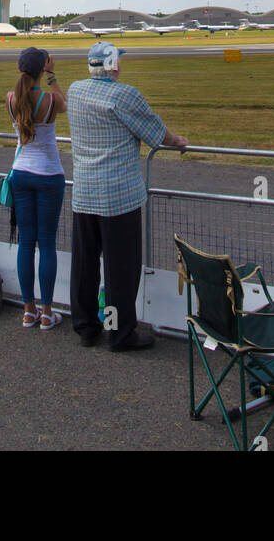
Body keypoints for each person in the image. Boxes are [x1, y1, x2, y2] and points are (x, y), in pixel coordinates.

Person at [67, 42, 187, 351]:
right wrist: (177, 141)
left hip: (84, 193)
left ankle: (86, 326)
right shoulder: (124, 94)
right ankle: (119, 333)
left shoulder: (76, 91)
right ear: (113, 66)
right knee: (120, 268)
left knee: (85, 264)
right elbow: (156, 133)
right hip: (117, 196)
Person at [6, 47, 67, 330]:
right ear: (42, 69)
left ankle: (28, 309)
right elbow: (64, 104)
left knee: (26, 244)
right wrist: (52, 75)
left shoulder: (11, 98)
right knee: (47, 245)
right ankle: (47, 310)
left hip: (21, 173)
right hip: (47, 174)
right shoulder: (49, 99)